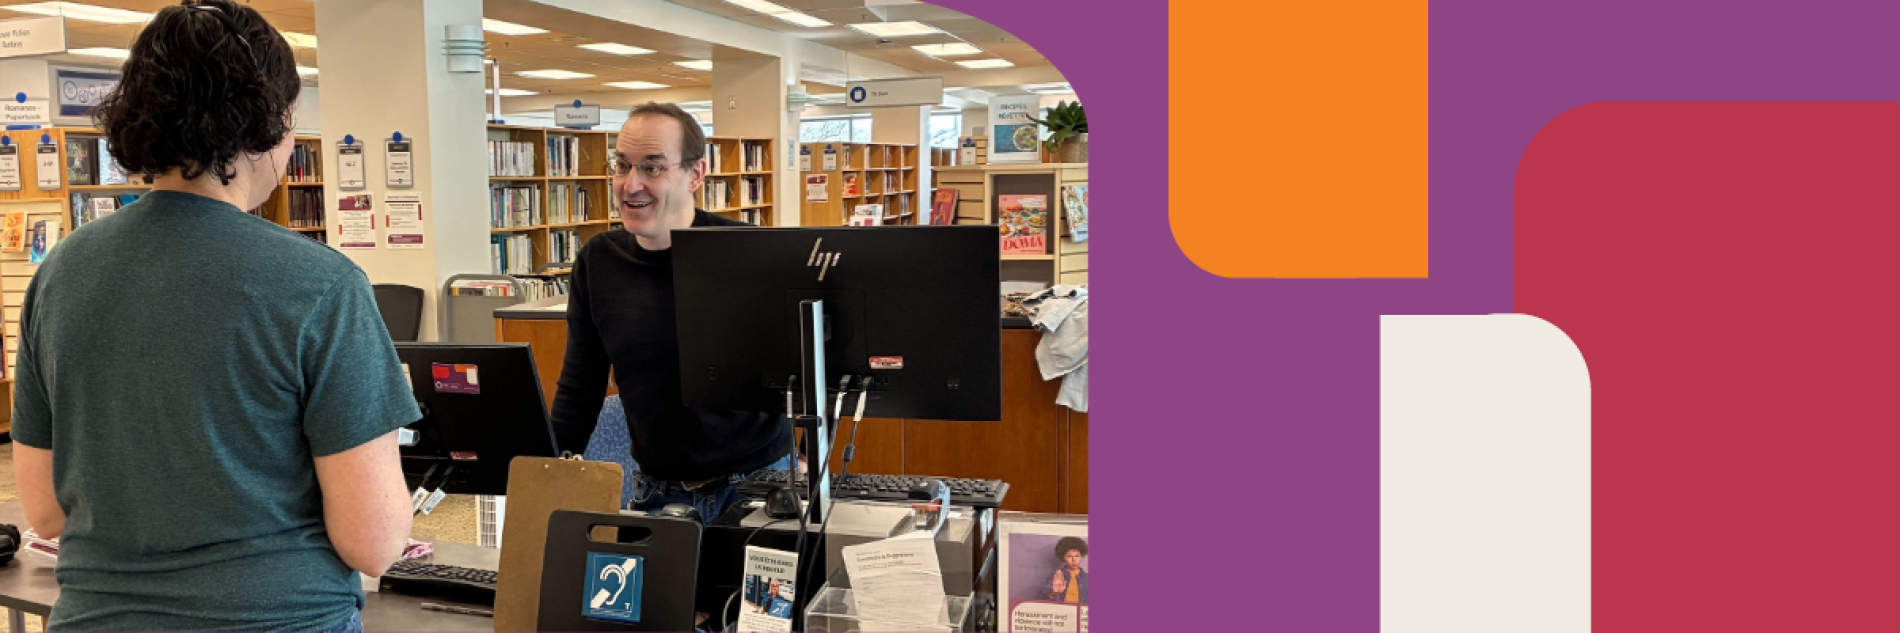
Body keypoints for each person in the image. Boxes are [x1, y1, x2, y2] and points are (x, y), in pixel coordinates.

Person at [9, 1, 417, 630]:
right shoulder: (320, 285)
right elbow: (374, 540)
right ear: (273, 122)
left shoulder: (60, 274)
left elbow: (47, 511)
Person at [548, 101, 790, 523]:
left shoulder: (749, 254)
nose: (630, 184)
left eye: (652, 168)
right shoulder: (598, 261)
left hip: (756, 485)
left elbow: (801, 373)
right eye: (621, 166)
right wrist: (543, 472)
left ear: (696, 174)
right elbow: (580, 386)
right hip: (656, 490)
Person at [1047, 537, 1089, 604]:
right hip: (1061, 613)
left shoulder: (1087, 578)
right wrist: (1054, 593)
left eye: (1077, 556)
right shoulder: (1056, 575)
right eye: (1069, 556)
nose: (1074, 560)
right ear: (1063, 557)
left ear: (1081, 556)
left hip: (1080, 613)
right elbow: (1043, 598)